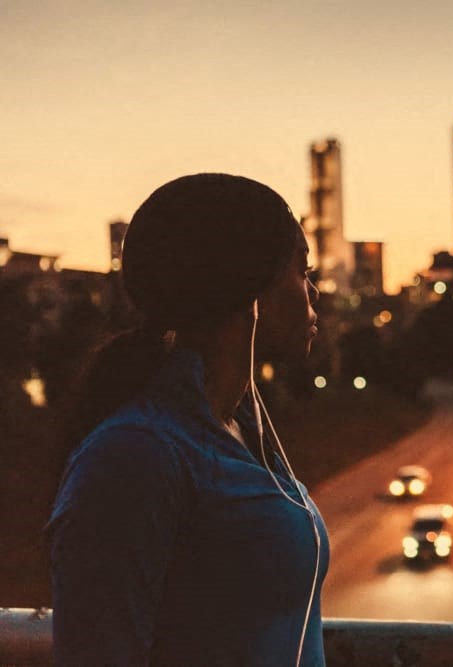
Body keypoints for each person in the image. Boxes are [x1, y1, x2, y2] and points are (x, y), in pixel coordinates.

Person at [46, 173, 328, 666]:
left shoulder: (243, 431)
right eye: (302, 270)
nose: (315, 292)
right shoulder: (137, 455)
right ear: (252, 287)